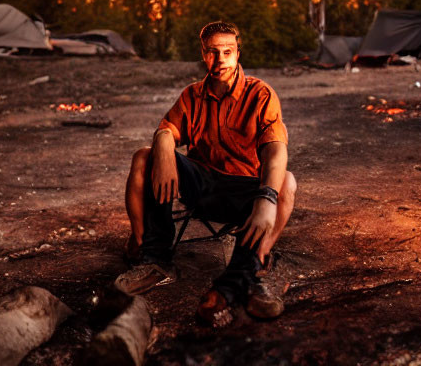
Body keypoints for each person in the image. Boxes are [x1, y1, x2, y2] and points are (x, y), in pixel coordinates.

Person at [115, 21, 296, 325]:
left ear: (238, 53)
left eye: (227, 51)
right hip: (202, 185)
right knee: (145, 158)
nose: (220, 59)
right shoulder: (192, 95)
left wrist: (266, 197)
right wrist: (162, 142)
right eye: (213, 52)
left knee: (287, 182)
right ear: (203, 53)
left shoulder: (260, 94)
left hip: (244, 192)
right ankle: (154, 258)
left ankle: (251, 272)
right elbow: (168, 129)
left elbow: (275, 149)